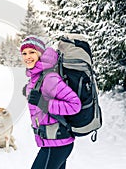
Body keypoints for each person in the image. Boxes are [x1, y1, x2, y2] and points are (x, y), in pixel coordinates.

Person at [20, 36, 81, 169]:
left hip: (57, 145)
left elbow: (75, 105)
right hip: (53, 143)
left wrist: (44, 103)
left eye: (32, 52)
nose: (27, 57)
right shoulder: (37, 77)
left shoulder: (49, 77)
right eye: (24, 53)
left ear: (40, 53)